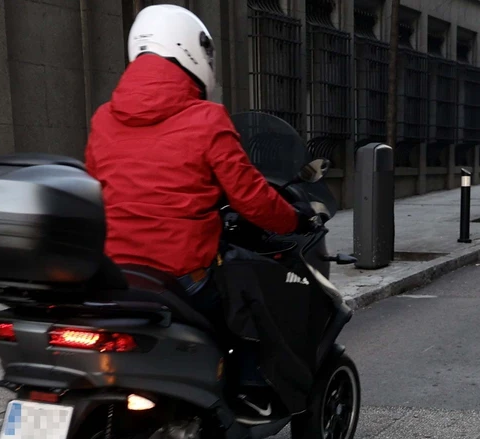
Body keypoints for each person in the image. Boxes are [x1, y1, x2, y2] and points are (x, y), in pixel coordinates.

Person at [84, 3, 311, 332]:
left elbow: (94, 190)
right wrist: (295, 219)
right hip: (181, 277)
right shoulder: (208, 119)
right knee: (249, 317)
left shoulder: (103, 117)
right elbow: (251, 199)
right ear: (192, 50)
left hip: (114, 274)